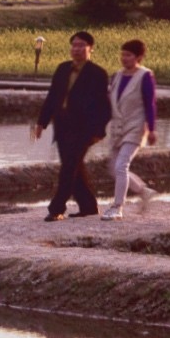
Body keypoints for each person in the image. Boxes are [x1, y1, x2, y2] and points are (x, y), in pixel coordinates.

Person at [33, 30, 113, 221]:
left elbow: (104, 105)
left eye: (81, 45)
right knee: (73, 167)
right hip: (62, 126)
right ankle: (88, 207)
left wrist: (99, 131)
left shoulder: (98, 73)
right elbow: (52, 96)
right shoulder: (62, 69)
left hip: (84, 129)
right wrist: (42, 122)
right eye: (74, 45)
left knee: (68, 168)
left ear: (90, 48)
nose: (77, 49)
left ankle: (56, 209)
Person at [103, 37, 159, 219]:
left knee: (121, 165)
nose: (124, 58)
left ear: (139, 57)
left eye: (128, 55)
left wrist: (152, 129)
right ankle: (144, 191)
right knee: (114, 168)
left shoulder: (145, 76)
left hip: (135, 127)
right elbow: (110, 102)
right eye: (123, 55)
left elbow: (150, 104)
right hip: (118, 127)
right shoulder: (117, 76)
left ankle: (117, 207)